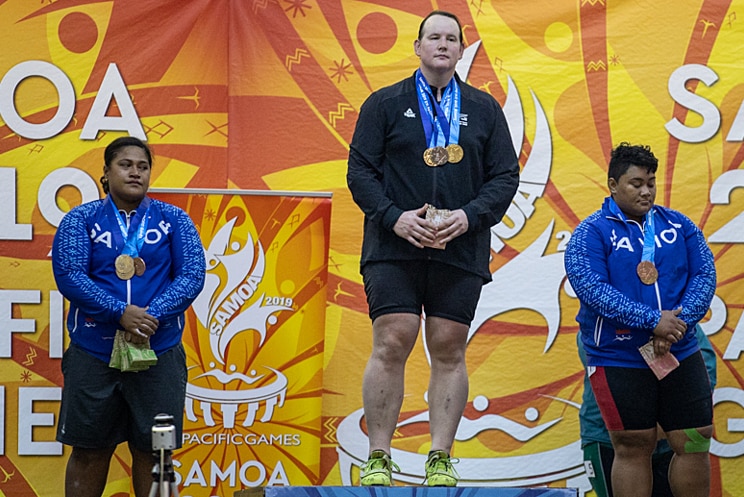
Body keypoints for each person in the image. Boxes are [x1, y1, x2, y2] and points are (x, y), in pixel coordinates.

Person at [346, 10, 520, 487]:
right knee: (393, 338)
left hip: (459, 248)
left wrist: (467, 217)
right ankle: (379, 455)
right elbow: (360, 172)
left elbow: (505, 176)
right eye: (433, 37)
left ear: (461, 51)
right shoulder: (383, 104)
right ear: (417, 48)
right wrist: (395, 218)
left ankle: (440, 456)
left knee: (448, 346)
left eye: (451, 38)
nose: (442, 45)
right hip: (393, 245)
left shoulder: (484, 109)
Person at [52, 136, 206, 497]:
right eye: (125, 164)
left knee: (158, 454)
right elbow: (70, 274)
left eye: (143, 166)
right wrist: (120, 312)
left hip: (160, 352)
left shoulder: (174, 219)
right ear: (106, 172)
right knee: (90, 451)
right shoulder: (80, 219)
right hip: (94, 352)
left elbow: (192, 275)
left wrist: (151, 315)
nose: (135, 172)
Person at [564, 142, 717, 497]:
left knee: (694, 439)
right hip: (618, 355)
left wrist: (675, 327)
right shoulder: (591, 232)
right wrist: (653, 322)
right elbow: (593, 289)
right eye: (636, 183)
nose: (646, 191)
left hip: (679, 349)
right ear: (613, 184)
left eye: (651, 182)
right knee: (633, 445)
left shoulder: (679, 225)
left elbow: (704, 276)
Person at [578, 324, 717, 497]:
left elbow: (705, 367)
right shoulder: (598, 323)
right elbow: (610, 375)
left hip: (668, 442)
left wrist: (669, 422)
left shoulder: (674, 317)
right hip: (608, 439)